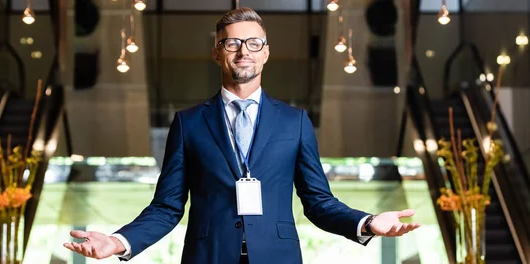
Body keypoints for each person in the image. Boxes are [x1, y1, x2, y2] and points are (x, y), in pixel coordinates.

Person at [64, 7, 420, 264]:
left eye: (253, 43)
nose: (243, 51)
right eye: (232, 44)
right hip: (208, 256)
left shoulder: (294, 122)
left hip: (278, 258)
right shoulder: (188, 123)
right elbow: (167, 207)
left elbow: (318, 202)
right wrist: (117, 241)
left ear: (265, 53)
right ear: (217, 52)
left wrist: (368, 223)